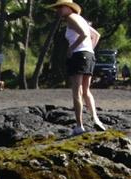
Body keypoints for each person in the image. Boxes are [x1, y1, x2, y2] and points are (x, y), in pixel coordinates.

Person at [48, 0, 105, 135]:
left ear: (68, 8)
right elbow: (96, 35)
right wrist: (89, 49)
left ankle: (79, 126)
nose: (58, 11)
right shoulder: (81, 19)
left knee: (77, 92)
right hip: (89, 55)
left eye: (60, 8)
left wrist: (71, 49)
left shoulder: (71, 18)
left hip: (79, 55)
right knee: (86, 91)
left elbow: (84, 34)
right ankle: (96, 119)